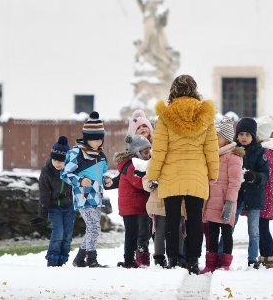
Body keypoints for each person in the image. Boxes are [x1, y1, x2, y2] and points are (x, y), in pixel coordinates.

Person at [146, 75, 219, 274]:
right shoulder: (205, 115)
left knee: (172, 220)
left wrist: (152, 174)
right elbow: (211, 149)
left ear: (173, 90)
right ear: (194, 89)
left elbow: (159, 149)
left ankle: (173, 259)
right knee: (195, 220)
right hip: (197, 175)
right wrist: (213, 173)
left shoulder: (165, 116)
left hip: (172, 176)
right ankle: (193, 260)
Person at [61, 111, 113, 268]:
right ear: (86, 137)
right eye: (93, 138)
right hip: (83, 196)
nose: (97, 142)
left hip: (97, 196)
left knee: (93, 229)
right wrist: (79, 181)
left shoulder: (100, 154)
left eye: (99, 138)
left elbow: (104, 171)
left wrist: (107, 179)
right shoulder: (76, 153)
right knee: (94, 228)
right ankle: (91, 259)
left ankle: (79, 258)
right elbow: (65, 174)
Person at [201, 117, 244, 273]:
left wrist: (230, 203)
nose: (214, 140)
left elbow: (235, 182)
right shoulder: (215, 156)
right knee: (212, 234)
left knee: (226, 234)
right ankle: (210, 264)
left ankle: (225, 263)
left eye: (217, 137)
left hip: (226, 203)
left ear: (225, 139)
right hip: (212, 202)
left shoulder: (234, 157)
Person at [32, 136, 75, 266]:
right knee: (58, 233)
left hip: (69, 207)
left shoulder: (71, 170)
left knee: (67, 235)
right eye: (55, 159)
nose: (57, 163)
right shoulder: (47, 171)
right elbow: (44, 194)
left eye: (61, 161)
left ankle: (62, 260)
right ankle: (52, 259)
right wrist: (42, 214)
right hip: (54, 207)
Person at [234, 117, 269, 269]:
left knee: (254, 231)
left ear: (253, 136)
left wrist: (254, 176)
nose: (244, 137)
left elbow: (265, 174)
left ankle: (253, 258)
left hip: (254, 195)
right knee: (229, 227)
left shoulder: (259, 152)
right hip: (236, 195)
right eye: (241, 134)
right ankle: (223, 255)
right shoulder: (233, 150)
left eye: (247, 134)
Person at [114, 134, 152, 268]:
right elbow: (138, 183)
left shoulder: (139, 164)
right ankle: (128, 259)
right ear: (137, 152)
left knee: (137, 234)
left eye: (149, 152)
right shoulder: (130, 166)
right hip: (130, 207)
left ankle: (132, 258)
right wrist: (151, 184)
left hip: (136, 206)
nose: (148, 155)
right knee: (131, 234)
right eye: (146, 152)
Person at [254, 115, 273, 270]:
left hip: (266, 193)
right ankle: (264, 257)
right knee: (261, 227)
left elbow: (267, 170)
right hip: (267, 192)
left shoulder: (266, 151)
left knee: (262, 227)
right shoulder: (271, 149)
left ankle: (268, 258)